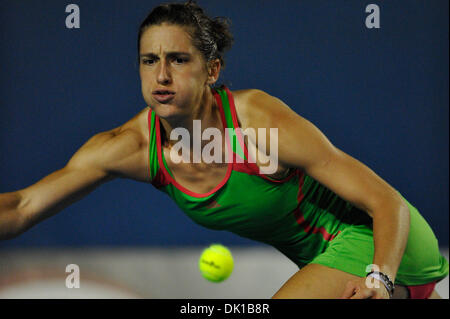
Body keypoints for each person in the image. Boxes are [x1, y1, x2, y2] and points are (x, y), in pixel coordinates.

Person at [0, 1, 448, 299]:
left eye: (178, 60)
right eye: (149, 60)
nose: (161, 77)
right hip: (330, 267)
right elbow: (21, 207)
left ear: (211, 69)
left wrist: (379, 277)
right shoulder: (130, 148)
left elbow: (387, 201)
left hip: (386, 248)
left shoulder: (258, 121)